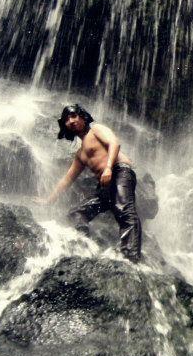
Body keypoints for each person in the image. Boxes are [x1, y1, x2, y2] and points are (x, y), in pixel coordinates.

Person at [44, 104, 142, 263]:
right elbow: (67, 179)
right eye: (67, 119)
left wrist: (109, 168)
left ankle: (131, 257)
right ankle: (84, 246)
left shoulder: (96, 129)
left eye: (74, 116)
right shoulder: (80, 153)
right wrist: (49, 200)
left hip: (120, 172)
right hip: (106, 186)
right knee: (77, 213)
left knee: (125, 209)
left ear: (83, 117)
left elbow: (114, 143)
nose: (71, 121)